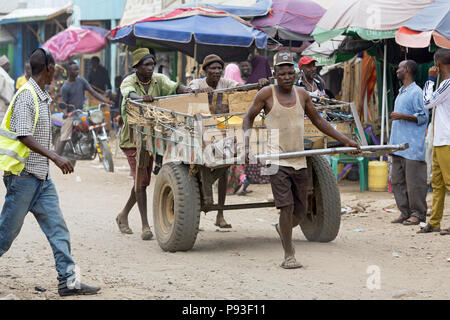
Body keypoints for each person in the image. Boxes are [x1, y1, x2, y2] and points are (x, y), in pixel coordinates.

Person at [243, 51, 359, 269]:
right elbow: (248, 118)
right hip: (276, 159)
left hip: (298, 158)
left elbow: (318, 121)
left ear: (295, 73)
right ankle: (289, 254)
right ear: (275, 75)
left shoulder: (302, 95)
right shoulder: (266, 94)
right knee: (286, 208)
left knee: (300, 210)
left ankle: (283, 228)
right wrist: (247, 144)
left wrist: (345, 140)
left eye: (290, 72)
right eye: (282, 73)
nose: (286, 76)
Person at [0, 48, 100, 296]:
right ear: (48, 68)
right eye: (55, 67)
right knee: (5, 235)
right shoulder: (26, 96)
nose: (57, 71)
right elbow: (24, 134)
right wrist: (56, 156)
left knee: (58, 230)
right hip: (23, 178)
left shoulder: (40, 95)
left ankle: (69, 281)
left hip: (41, 179)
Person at [117, 48, 192, 240]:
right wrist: (143, 98)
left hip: (152, 137)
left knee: (142, 181)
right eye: (146, 65)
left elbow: (175, 87)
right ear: (137, 67)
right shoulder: (129, 81)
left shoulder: (159, 79)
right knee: (141, 181)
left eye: (152, 64)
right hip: (132, 139)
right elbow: (131, 96)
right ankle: (145, 226)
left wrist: (190, 91)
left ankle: (123, 215)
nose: (150, 68)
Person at [189, 54, 241, 229]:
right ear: (205, 71)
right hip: (201, 133)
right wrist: (199, 92)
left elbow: (240, 87)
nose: (217, 71)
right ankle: (194, 217)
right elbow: (190, 89)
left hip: (223, 133)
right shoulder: (198, 83)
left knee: (224, 169)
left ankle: (220, 214)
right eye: (213, 68)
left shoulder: (225, 83)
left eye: (219, 68)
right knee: (198, 171)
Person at [388, 60, 428, 226]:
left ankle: (418, 214)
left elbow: (424, 117)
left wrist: (402, 116)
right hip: (397, 146)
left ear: (407, 70)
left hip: (412, 146)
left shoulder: (417, 92)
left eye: (399, 68)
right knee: (397, 181)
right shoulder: (401, 91)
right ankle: (404, 212)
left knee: (414, 183)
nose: (397, 70)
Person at [418, 48, 450, 235]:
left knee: (447, 182)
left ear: (437, 64)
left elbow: (427, 102)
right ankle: (435, 222)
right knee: (437, 184)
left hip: (446, 139)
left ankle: (436, 221)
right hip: (440, 139)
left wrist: (430, 79)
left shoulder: (446, 84)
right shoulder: (444, 84)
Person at [55, 61, 111, 155]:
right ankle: (57, 156)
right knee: (65, 135)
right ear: (69, 71)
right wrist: (65, 113)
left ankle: (95, 144)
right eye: (75, 70)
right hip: (71, 114)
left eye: (78, 69)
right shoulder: (65, 86)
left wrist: (105, 101)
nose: (77, 71)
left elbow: (92, 92)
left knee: (96, 121)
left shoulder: (81, 81)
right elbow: (64, 102)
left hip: (82, 112)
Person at [0, 55, 15, 122]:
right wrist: (6, 100)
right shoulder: (1, 74)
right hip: (2, 107)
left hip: (6, 107)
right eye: (8, 65)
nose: (10, 67)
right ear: (4, 65)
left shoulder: (4, 74)